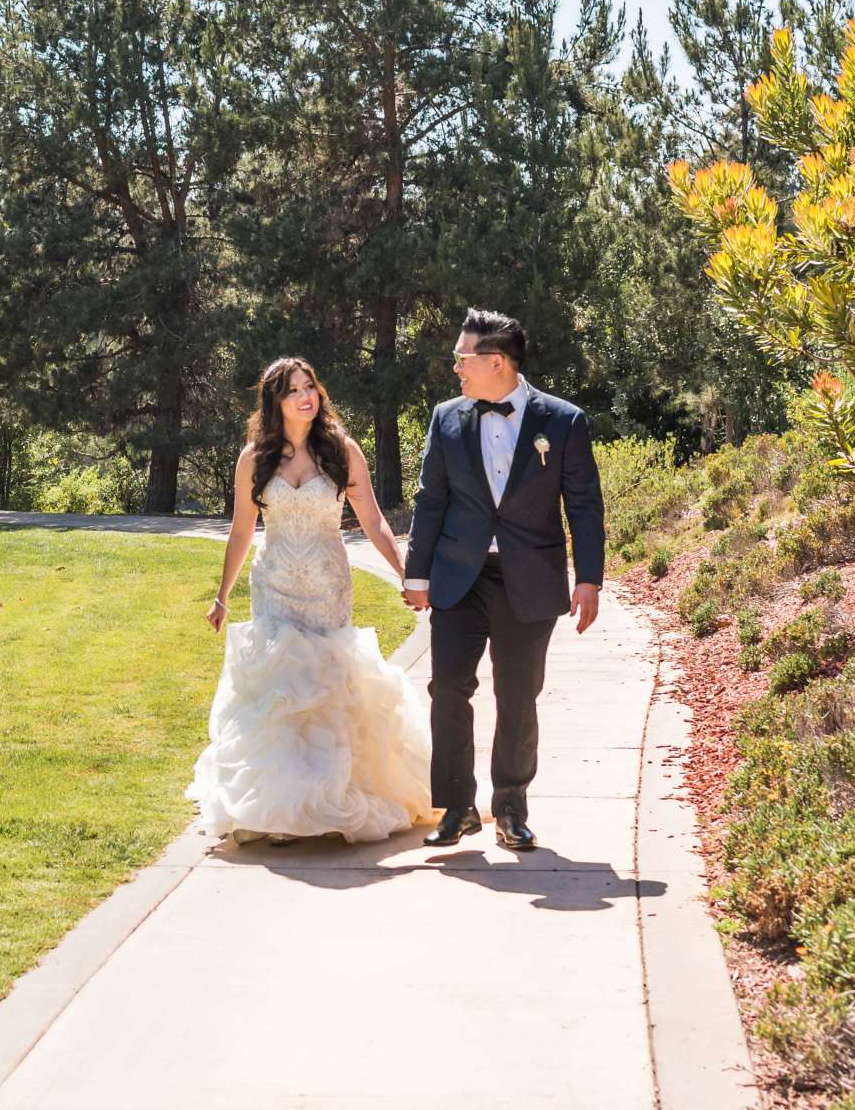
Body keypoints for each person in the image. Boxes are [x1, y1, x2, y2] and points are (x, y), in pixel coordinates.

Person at [187, 356, 439, 844]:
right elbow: (242, 530)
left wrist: (406, 573)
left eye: (311, 386)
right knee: (282, 690)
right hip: (274, 584)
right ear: (275, 402)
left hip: (326, 586)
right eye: (294, 390)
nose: (306, 396)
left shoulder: (341, 451)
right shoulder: (253, 459)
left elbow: (373, 519)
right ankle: (282, 809)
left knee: (326, 686)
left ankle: (331, 797)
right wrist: (222, 596)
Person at [403, 308, 607, 851]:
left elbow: (584, 505)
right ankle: (456, 807)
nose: (455, 368)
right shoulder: (446, 418)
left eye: (462, 358)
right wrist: (416, 572)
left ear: (496, 362)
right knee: (447, 689)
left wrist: (589, 579)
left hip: (530, 580)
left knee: (518, 697)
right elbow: (431, 500)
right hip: (457, 579)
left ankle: (510, 810)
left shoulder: (563, 422)